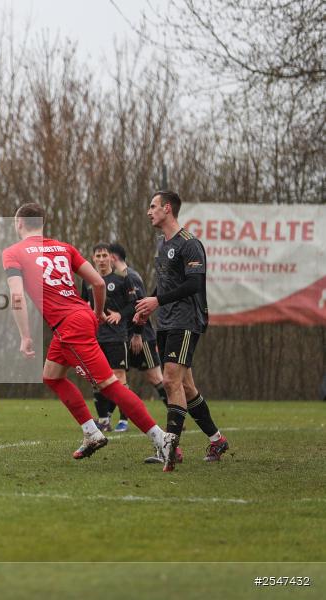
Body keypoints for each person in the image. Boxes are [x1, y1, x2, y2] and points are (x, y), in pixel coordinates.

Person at [1, 203, 171, 464]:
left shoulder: (13, 252)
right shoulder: (63, 247)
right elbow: (99, 282)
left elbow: (16, 297)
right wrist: (96, 314)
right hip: (77, 320)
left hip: (70, 327)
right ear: (42, 225)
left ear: (19, 224)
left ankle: (162, 439)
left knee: (110, 386)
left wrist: (25, 336)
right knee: (52, 376)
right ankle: (92, 432)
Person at [134, 191, 229, 471]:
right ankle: (217, 439)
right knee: (186, 387)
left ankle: (170, 449)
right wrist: (148, 306)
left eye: (153, 206)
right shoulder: (162, 244)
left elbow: (193, 284)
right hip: (166, 321)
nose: (149, 212)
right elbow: (165, 285)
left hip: (186, 321)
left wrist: (157, 300)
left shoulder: (190, 244)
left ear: (167, 209)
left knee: (170, 381)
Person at [108, 242, 168, 415]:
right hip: (123, 336)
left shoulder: (131, 276)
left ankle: (177, 413)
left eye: (107, 256)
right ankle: (114, 418)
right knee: (117, 376)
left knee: (155, 377)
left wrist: (137, 334)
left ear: (113, 257)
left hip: (142, 337)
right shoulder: (118, 277)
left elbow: (142, 307)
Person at [80, 243, 135, 433]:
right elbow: (82, 304)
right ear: (93, 258)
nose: (102, 259)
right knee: (96, 379)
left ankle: (124, 420)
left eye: (105, 255)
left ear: (110, 258)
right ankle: (103, 420)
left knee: (119, 377)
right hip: (95, 337)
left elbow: (134, 305)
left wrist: (120, 314)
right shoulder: (87, 280)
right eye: (98, 256)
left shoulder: (121, 279)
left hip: (117, 336)